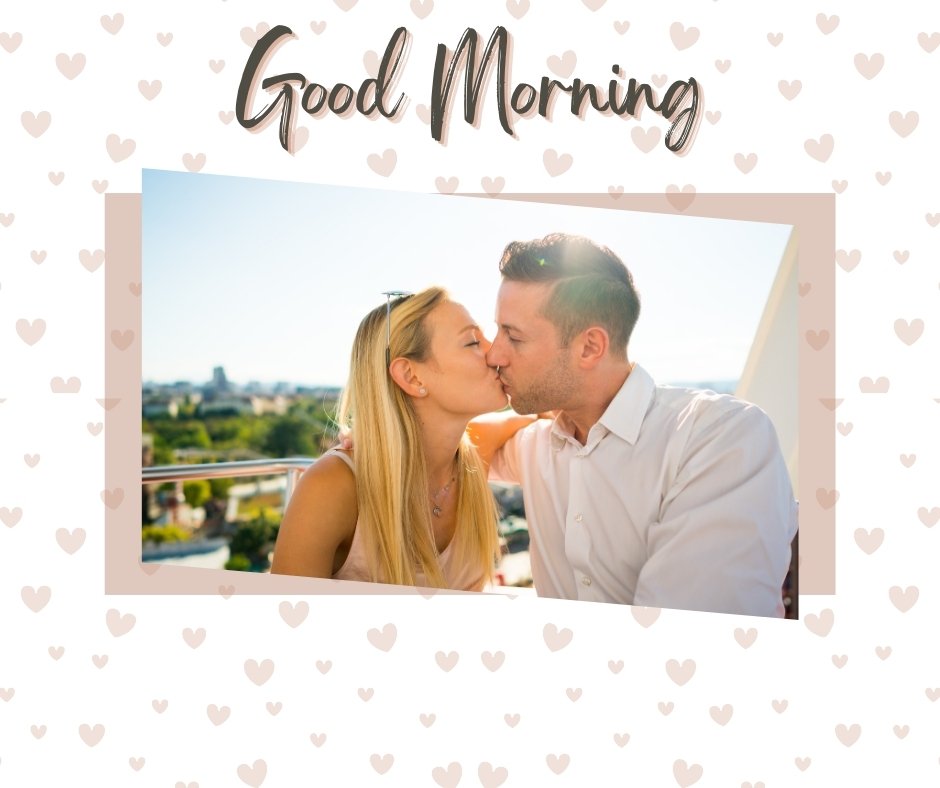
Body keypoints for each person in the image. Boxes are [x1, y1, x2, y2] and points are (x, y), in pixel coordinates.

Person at [484, 233, 799, 617]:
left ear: (589, 347)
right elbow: (457, 440)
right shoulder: (534, 445)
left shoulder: (722, 439)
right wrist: (514, 424)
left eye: (513, 336)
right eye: (497, 330)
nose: (494, 353)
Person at [270, 287, 532, 590]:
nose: (496, 352)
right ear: (411, 377)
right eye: (473, 341)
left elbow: (548, 413)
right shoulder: (334, 487)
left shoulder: (470, 455)